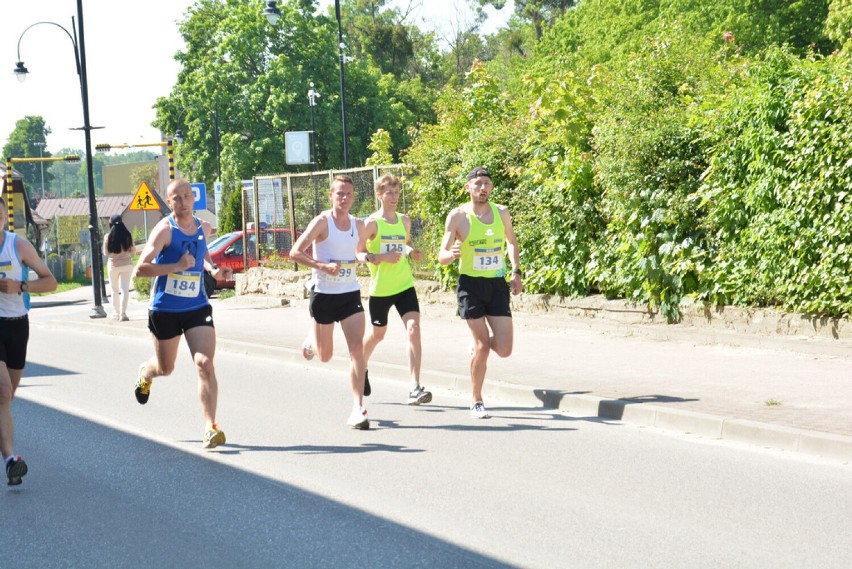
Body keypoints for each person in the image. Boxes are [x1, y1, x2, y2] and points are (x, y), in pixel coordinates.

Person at [132, 179, 233, 448]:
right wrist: (176, 265)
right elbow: (141, 268)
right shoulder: (164, 231)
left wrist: (214, 271)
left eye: (188, 196)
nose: (184, 201)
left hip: (196, 307)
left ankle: (211, 427)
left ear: (194, 199)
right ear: (169, 202)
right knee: (166, 368)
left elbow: (203, 255)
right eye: (177, 198)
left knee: (205, 363)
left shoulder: (204, 227)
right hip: (165, 309)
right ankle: (146, 373)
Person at [438, 167, 523, 419]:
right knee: (483, 346)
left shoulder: (502, 213)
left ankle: (478, 347)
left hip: (497, 284)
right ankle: (476, 400)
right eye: (477, 184)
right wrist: (450, 255)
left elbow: (511, 242)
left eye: (487, 183)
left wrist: (516, 272)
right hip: (470, 286)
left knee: (505, 349)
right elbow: (442, 255)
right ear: (468, 188)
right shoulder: (458, 216)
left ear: (492, 188)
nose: (482, 188)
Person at [290, 175, 371, 430]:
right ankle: (312, 340)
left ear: (353, 197)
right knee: (325, 356)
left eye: (348, 194)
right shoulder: (323, 221)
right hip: (324, 294)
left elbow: (360, 251)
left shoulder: (358, 224)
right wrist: (321, 265)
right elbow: (295, 252)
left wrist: (375, 256)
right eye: (339, 194)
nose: (344, 198)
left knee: (357, 349)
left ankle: (358, 409)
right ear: (331, 196)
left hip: (350, 294)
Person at [355, 174, 432, 405]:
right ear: (379, 195)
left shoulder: (404, 220)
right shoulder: (372, 223)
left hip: (404, 285)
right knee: (378, 335)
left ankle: (414, 387)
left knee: (414, 329)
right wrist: (376, 257)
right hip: (381, 290)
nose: (394, 197)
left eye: (397, 193)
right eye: (389, 193)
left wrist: (412, 252)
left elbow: (405, 244)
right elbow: (358, 253)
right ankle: (362, 364)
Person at [0, 197, 57, 484]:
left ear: (4, 218)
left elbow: (51, 281)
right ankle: (11, 459)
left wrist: (19, 286)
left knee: (7, 398)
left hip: (17, 326)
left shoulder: (18, 246)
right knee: (3, 391)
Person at [103, 214, 136, 321]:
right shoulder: (128, 235)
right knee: (125, 290)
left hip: (113, 265)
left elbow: (106, 253)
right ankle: (123, 313)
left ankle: (116, 313)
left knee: (114, 290)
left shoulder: (108, 237)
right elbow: (133, 251)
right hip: (127, 265)